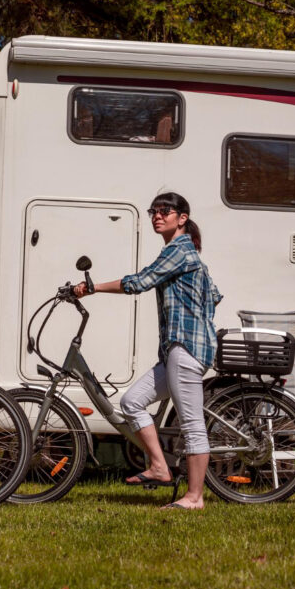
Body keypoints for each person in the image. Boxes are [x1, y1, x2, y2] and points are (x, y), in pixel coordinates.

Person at [74, 191, 222, 510]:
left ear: (181, 218)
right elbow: (215, 295)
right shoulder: (184, 253)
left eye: (164, 211)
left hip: (186, 347)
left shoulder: (180, 251)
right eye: (153, 211)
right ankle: (159, 466)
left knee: (192, 424)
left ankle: (195, 498)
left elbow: (140, 282)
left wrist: (92, 287)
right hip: (176, 351)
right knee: (132, 401)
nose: (157, 215)